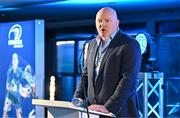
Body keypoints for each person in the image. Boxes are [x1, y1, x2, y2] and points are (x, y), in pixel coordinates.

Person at [73, 7, 142, 117]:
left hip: (119, 112)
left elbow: (128, 80)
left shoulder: (130, 44)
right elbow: (86, 75)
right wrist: (78, 97)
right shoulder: (92, 44)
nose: (102, 24)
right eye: (99, 21)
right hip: (93, 112)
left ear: (117, 23)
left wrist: (108, 107)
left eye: (107, 20)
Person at [3, 53, 23, 118]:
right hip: (10, 95)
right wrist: (10, 90)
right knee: (5, 110)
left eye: (15, 59)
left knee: (18, 114)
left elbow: (22, 85)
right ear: (12, 61)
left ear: (18, 61)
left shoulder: (20, 72)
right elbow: (7, 86)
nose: (14, 60)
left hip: (16, 96)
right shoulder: (9, 71)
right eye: (13, 59)